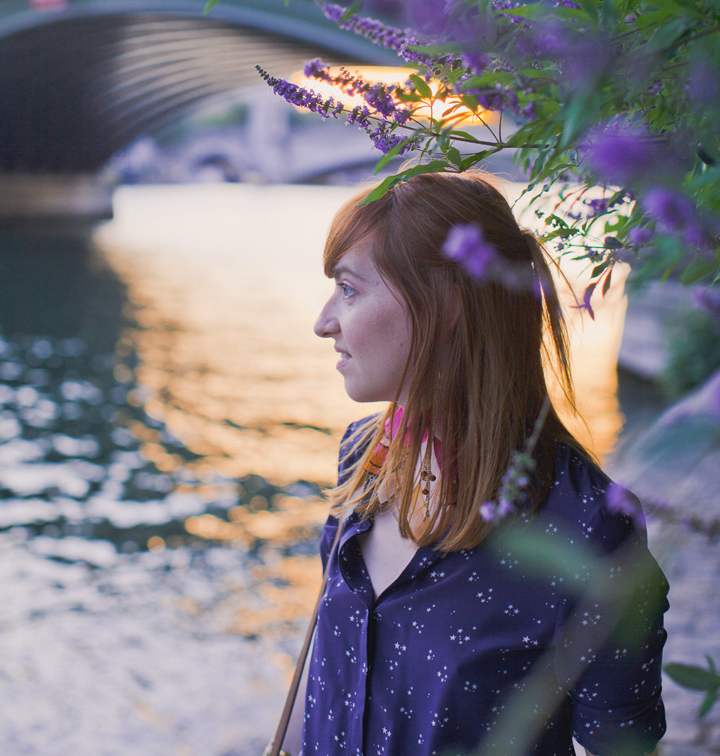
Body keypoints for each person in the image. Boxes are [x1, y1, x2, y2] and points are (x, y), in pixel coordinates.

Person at [281, 172, 667, 756]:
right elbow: (326, 673)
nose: (323, 322)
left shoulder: (588, 527)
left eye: (349, 289)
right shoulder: (363, 457)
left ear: (446, 304)